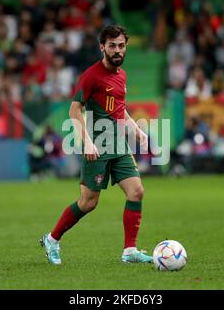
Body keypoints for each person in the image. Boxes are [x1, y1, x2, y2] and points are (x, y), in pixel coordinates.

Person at [40, 25, 153, 265]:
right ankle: (52, 238)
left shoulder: (121, 75)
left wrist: (137, 131)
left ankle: (129, 250)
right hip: (97, 146)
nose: (117, 50)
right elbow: (74, 110)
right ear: (102, 47)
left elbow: (119, 110)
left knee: (137, 191)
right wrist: (87, 142)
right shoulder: (91, 75)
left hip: (118, 145)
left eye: (121, 46)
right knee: (88, 202)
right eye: (112, 46)